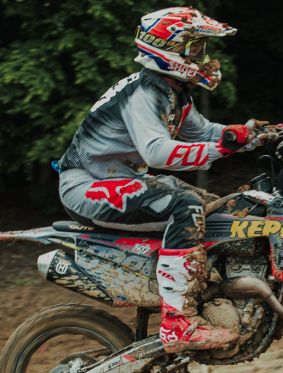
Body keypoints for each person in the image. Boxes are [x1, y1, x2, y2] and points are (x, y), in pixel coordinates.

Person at [56, 7, 263, 353]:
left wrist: (251, 135)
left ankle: (209, 292)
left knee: (215, 207)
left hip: (118, 183)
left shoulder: (172, 91)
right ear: (169, 49)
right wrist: (220, 149)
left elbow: (204, 132)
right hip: (86, 187)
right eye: (194, 48)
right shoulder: (145, 93)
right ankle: (176, 323)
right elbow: (156, 153)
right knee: (187, 207)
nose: (202, 57)